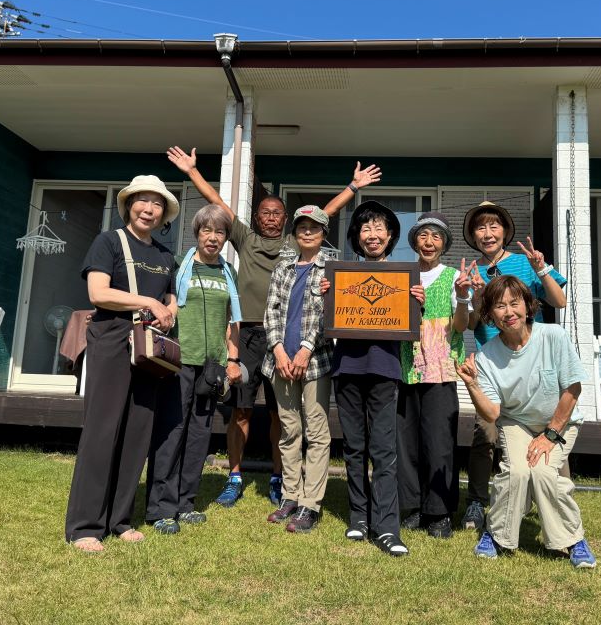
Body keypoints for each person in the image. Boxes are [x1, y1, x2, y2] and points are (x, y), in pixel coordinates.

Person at [167, 145, 380, 508]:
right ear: (256, 217)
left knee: (282, 412)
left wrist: (353, 186)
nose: (270, 218)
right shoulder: (245, 238)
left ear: (285, 219)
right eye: (264, 212)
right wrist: (191, 172)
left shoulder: (294, 242)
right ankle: (235, 476)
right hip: (248, 334)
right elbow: (216, 202)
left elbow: (324, 214)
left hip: (284, 334)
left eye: (277, 213)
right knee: (241, 409)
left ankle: (280, 478)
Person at [65, 175, 179, 553]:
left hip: (149, 348)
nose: (149, 209)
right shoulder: (109, 242)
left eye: (157, 203)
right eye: (142, 201)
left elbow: (171, 298)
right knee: (103, 430)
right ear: (129, 205)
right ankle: (85, 526)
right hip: (112, 340)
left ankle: (120, 521)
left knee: (137, 433)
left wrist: (169, 311)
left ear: (164, 213)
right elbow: (98, 292)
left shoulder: (165, 255)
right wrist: (149, 303)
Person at [455, 275, 596, 569]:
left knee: (543, 474)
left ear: (527, 306)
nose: (509, 312)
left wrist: (550, 435)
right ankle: (497, 534)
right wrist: (473, 385)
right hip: (516, 421)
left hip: (559, 423)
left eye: (514, 303)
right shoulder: (486, 356)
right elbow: (492, 414)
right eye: (499, 306)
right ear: (489, 314)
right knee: (517, 472)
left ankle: (572, 540)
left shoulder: (553, 336)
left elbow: (573, 389)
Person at [460, 201, 566, 558]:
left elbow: (559, 301)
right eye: (480, 228)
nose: (487, 233)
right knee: (485, 434)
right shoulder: (473, 271)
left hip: (531, 364)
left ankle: (554, 502)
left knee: (547, 434)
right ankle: (477, 502)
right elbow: (472, 324)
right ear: (473, 236)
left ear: (505, 231)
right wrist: (475, 295)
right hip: (493, 367)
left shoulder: (525, 262)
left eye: (494, 226)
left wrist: (542, 269)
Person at [326, 200, 425, 557]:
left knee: (384, 450)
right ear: (357, 236)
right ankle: (359, 516)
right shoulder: (341, 276)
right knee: (354, 448)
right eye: (366, 228)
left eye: (379, 228)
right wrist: (327, 298)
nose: (372, 234)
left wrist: (417, 303)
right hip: (347, 368)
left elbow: (413, 325)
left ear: (390, 236)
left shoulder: (404, 277)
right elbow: (327, 321)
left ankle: (386, 527)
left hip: (385, 369)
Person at [145, 204, 242, 534]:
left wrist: (232, 359)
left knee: (199, 435)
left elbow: (232, 320)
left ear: (226, 238)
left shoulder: (228, 272)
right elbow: (164, 307)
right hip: (180, 360)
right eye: (207, 231)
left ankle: (186, 503)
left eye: (220, 232)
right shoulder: (178, 266)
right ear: (197, 233)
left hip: (212, 365)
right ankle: (161, 507)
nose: (213, 238)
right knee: (172, 431)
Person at [397, 212, 471, 539]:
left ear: (444, 244)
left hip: (440, 369)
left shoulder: (453, 277)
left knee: (439, 442)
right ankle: (414, 507)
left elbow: (462, 326)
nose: (429, 242)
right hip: (406, 368)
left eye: (436, 236)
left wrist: (464, 297)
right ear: (414, 241)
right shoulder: (402, 275)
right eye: (423, 235)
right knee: (407, 443)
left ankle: (439, 512)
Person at [263, 205, 334, 533]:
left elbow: (328, 314)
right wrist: (279, 350)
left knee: (316, 433)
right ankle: (290, 496)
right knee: (289, 431)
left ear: (323, 233)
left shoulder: (331, 270)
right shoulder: (283, 268)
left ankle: (310, 504)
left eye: (314, 227)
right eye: (302, 227)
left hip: (315, 361)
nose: (307, 232)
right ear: (294, 233)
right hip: (280, 361)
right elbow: (271, 312)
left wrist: (305, 349)